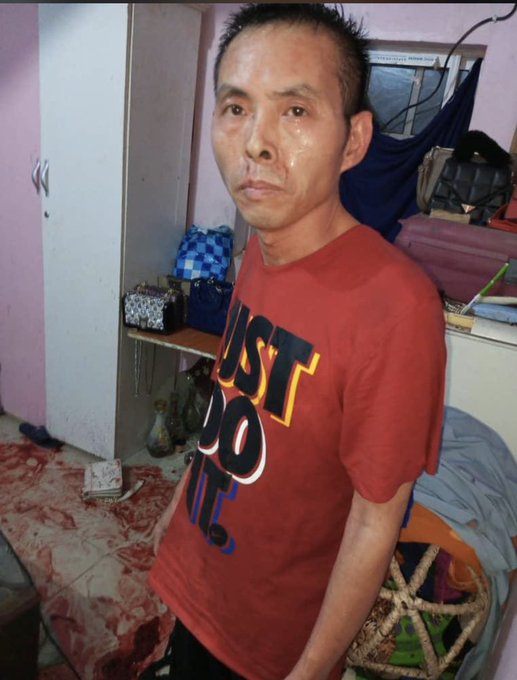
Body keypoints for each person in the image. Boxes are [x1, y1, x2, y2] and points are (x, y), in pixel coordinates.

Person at [148, 4, 446, 680]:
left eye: (295, 111)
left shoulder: (396, 307)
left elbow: (373, 523)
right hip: (200, 575)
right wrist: (182, 500)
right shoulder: (261, 246)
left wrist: (310, 669)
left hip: (270, 640)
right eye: (236, 108)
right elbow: (235, 391)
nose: (255, 143)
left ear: (354, 141)